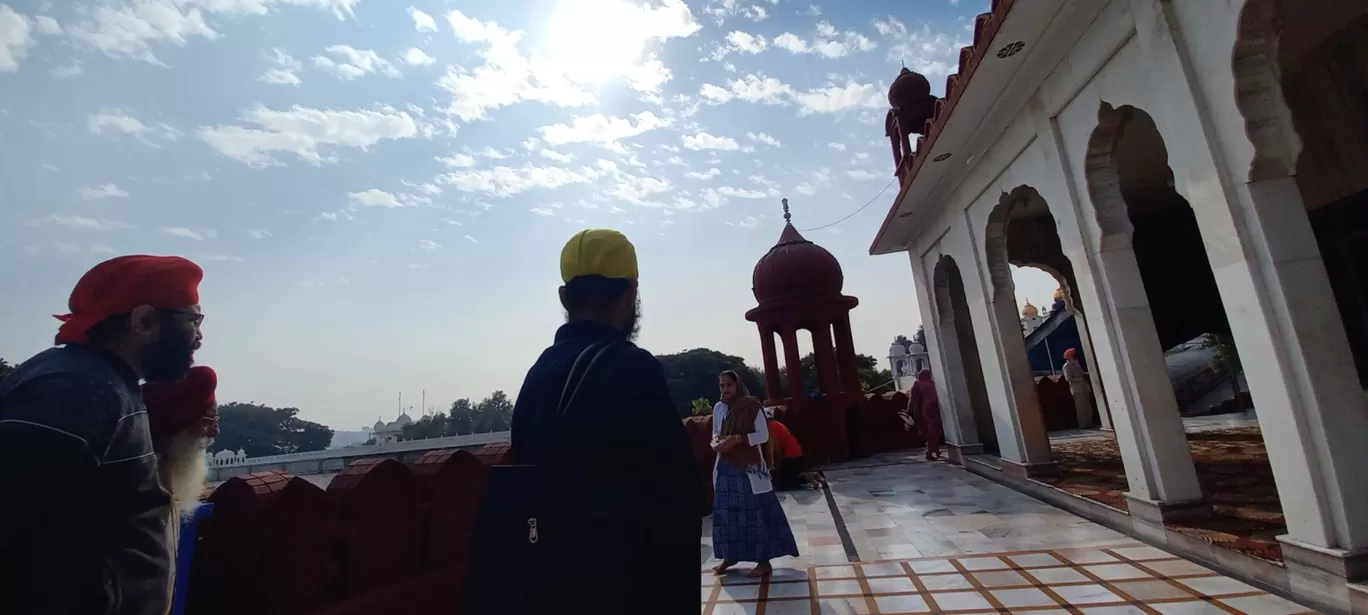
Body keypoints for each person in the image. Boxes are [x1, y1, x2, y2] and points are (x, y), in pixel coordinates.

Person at [505, 229, 702, 614]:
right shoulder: (632, 368)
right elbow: (676, 504)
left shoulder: (538, 374)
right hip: (622, 587)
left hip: (550, 588)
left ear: (563, 297)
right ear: (632, 293)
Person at [0, 254, 205, 615]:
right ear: (144, 321)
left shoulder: (99, 382)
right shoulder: (78, 390)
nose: (199, 336)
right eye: (193, 319)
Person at [711, 370, 799, 578]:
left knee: (754, 514)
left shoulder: (751, 406)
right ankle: (729, 556)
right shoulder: (719, 408)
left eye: (729, 385)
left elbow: (762, 434)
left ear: (738, 385)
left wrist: (738, 439)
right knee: (727, 513)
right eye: (722, 386)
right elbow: (716, 432)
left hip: (749, 467)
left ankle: (763, 562)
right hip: (725, 465)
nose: (725, 390)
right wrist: (716, 442)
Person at [765, 407, 819, 491]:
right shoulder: (777, 424)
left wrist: (778, 461)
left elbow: (777, 446)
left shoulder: (770, 427)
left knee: (784, 484)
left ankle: (808, 476)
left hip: (790, 456)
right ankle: (812, 475)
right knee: (788, 477)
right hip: (797, 453)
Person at [909, 369, 943, 461]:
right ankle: (930, 452)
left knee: (934, 431)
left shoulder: (928, 383)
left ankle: (935, 450)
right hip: (926, 410)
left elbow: (912, 399)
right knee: (930, 431)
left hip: (932, 409)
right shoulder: (921, 384)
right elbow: (914, 399)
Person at [1061, 348, 1094, 428]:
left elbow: (1081, 373)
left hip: (1084, 387)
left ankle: (1089, 423)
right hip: (1077, 389)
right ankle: (1083, 424)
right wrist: (1079, 379)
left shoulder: (1076, 363)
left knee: (1087, 406)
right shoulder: (1066, 366)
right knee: (1080, 407)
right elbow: (1068, 378)